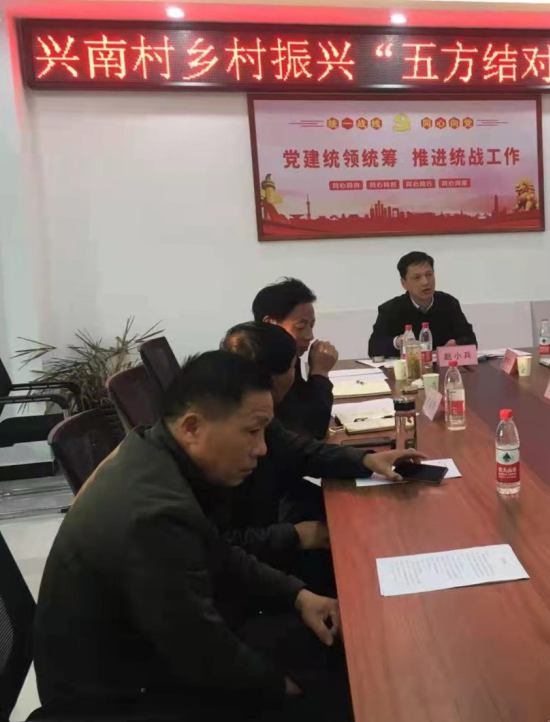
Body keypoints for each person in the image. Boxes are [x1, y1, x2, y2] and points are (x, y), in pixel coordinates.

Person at [33, 352, 354, 721]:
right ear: (191, 427)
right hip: (115, 700)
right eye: (252, 431)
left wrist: (298, 595)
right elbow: (200, 651)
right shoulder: (155, 514)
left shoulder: (153, 449)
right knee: (336, 692)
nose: (263, 448)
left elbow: (219, 552)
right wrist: (287, 690)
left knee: (323, 650)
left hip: (149, 656)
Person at [221, 321, 424, 593]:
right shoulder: (227, 437)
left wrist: (367, 460)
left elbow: (300, 451)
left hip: (271, 535)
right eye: (293, 367)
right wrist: (297, 535)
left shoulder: (253, 413)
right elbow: (219, 545)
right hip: (255, 571)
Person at [253, 277, 337, 440]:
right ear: (270, 323)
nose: (310, 336)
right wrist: (320, 372)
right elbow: (313, 429)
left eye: (311, 325)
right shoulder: (265, 367)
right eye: (300, 326)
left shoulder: (288, 354)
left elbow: (304, 406)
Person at [367, 251, 477, 358]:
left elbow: (470, 340)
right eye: (417, 277)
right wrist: (398, 342)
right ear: (404, 283)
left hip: (444, 367)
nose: (425, 282)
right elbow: (373, 348)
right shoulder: (390, 309)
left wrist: (456, 344)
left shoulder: (449, 303)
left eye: (429, 275)